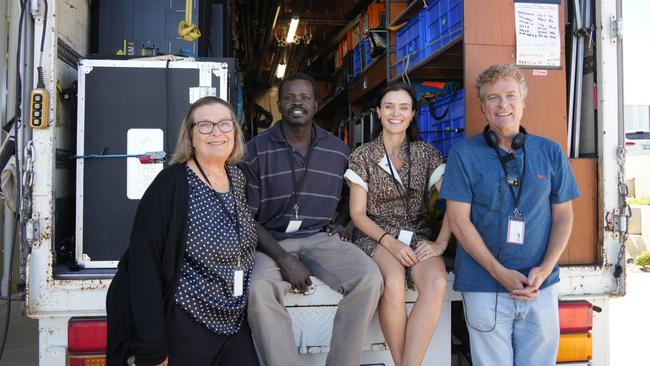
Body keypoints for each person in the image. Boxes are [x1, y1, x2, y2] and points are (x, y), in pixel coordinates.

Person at [440, 64, 580, 366]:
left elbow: (564, 216)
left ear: (523, 101)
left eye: (510, 96)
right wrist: (500, 273)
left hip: (539, 287)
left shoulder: (550, 152)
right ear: (482, 106)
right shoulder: (463, 155)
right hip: (484, 287)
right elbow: (458, 221)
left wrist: (543, 270)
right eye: (493, 98)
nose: (503, 105)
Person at [240, 72, 383, 366]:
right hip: (270, 241)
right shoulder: (254, 151)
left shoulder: (338, 151)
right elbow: (247, 218)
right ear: (279, 104)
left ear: (315, 105)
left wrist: (343, 221)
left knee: (369, 278)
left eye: (305, 98)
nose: (297, 103)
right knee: (257, 290)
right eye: (290, 97)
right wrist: (283, 258)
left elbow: (352, 198)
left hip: (320, 237)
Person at [106, 96, 259, 366]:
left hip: (234, 322)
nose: (216, 132)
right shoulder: (171, 184)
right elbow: (145, 264)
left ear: (234, 131)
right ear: (191, 136)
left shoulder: (237, 178)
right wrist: (152, 346)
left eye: (224, 124)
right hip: (187, 321)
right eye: (205, 126)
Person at [345, 83, 449, 366]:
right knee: (392, 281)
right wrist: (389, 242)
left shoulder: (426, 154)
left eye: (404, 107)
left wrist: (440, 243)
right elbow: (357, 214)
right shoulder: (363, 156)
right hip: (376, 235)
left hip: (417, 236)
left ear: (413, 114)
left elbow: (455, 200)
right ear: (378, 112)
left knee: (438, 282)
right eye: (389, 106)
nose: (396, 113)